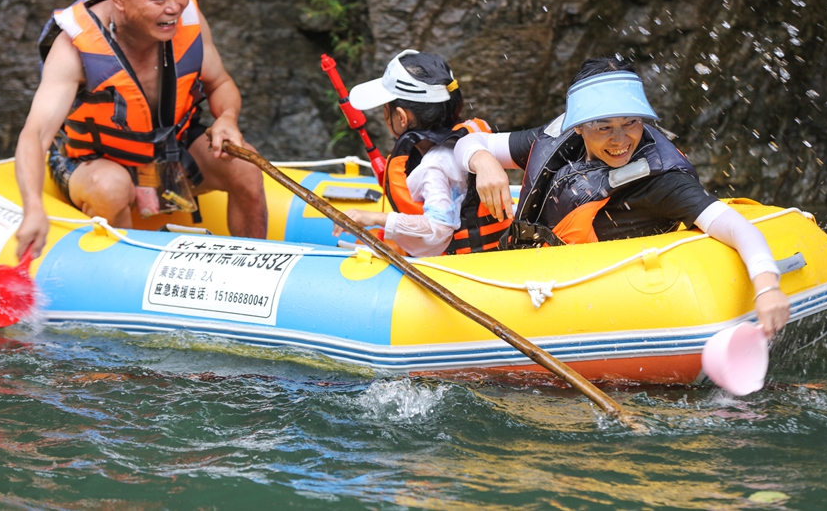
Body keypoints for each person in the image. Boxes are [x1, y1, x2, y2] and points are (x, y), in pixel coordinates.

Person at [454, 57, 790, 337]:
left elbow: (735, 226)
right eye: (603, 127)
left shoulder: (661, 180)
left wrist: (767, 287)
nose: (620, 140)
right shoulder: (558, 139)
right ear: (579, 127)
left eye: (631, 123)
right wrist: (484, 163)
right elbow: (467, 143)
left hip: (589, 300)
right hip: (523, 272)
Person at [14, 0, 267, 258]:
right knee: (111, 186)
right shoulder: (73, 50)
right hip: (95, 163)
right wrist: (33, 209)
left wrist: (227, 118)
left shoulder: (187, 19)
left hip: (170, 151)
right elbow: (35, 135)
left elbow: (220, 83)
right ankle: (127, 269)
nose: (174, 7)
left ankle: (257, 264)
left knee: (245, 163)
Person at [332, 49, 513, 257]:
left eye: (386, 109)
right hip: (500, 249)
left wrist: (373, 218)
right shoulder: (475, 133)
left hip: (465, 265)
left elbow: (439, 227)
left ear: (401, 117)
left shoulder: (433, 166)